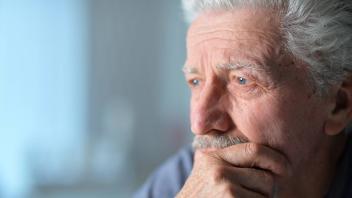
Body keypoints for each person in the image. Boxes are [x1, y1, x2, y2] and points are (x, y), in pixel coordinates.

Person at [135, 0, 352, 197]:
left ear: (338, 105)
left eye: (242, 80)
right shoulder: (183, 176)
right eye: (195, 82)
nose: (199, 123)